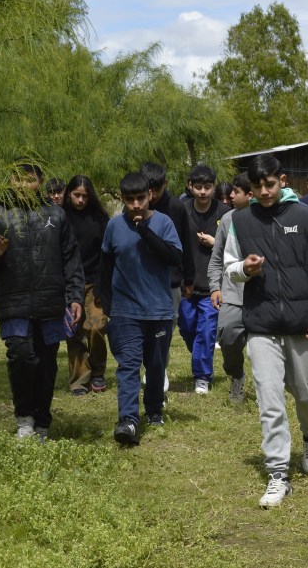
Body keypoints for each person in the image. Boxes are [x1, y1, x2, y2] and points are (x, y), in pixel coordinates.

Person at [224, 153, 308, 509]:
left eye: (269, 184)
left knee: (307, 394)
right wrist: (245, 269)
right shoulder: (240, 221)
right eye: (257, 187)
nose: (264, 192)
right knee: (269, 400)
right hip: (261, 324)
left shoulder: (306, 217)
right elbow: (229, 267)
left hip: (303, 324)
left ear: (282, 181)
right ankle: (278, 474)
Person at [0, 162, 85, 440]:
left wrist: (75, 296)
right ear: (9, 180)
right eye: (17, 179)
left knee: (47, 364)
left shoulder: (56, 214)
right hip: (12, 301)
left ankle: (42, 423)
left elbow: (71, 259)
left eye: (30, 180)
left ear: (40, 181)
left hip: (50, 302)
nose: (23, 186)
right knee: (21, 356)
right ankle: (24, 418)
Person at [98, 172, 183, 445]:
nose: (136, 204)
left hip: (159, 310)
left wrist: (145, 231)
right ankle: (128, 420)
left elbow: (174, 257)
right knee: (128, 365)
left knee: (155, 366)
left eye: (141, 198)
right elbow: (105, 267)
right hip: (124, 312)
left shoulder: (164, 222)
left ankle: (154, 408)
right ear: (122, 198)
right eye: (130, 199)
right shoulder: (114, 226)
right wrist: (108, 306)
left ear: (150, 195)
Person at [140, 162, 194, 390]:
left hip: (171, 280)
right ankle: (151, 367)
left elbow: (187, 244)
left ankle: (159, 368)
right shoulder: (135, 207)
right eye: (148, 191)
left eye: (157, 190)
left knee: (165, 327)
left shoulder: (177, 207)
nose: (151, 196)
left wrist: (189, 278)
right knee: (144, 327)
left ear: (166, 184)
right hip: (142, 279)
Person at [178, 164, 230, 394]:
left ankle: (202, 376)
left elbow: (235, 247)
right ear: (190, 186)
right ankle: (200, 354)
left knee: (207, 330)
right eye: (198, 187)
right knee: (188, 327)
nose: (202, 191)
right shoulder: (181, 210)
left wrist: (215, 243)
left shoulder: (225, 213)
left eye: (207, 187)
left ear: (214, 187)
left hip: (213, 286)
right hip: (186, 284)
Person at [61, 174, 111, 395]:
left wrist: (102, 284)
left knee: (97, 326)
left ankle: (98, 371)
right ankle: (79, 380)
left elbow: (107, 254)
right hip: (69, 283)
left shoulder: (100, 219)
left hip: (94, 281)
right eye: (76, 195)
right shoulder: (60, 217)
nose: (80, 200)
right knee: (74, 332)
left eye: (85, 196)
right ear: (69, 194)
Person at [208, 173, 252, 403]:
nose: (231, 196)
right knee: (227, 335)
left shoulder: (268, 217)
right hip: (232, 292)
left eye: (236, 191)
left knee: (261, 347)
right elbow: (217, 257)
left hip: (263, 294)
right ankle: (236, 375)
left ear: (250, 194)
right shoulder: (227, 219)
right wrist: (215, 287)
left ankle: (267, 388)